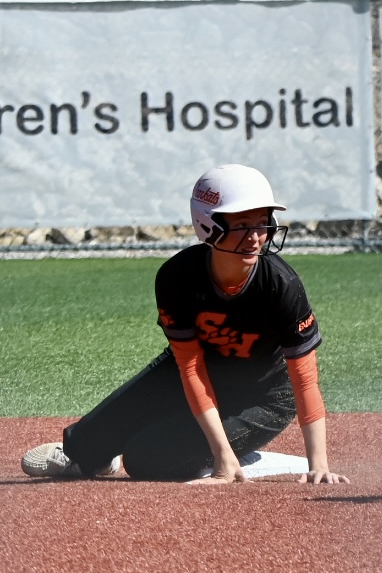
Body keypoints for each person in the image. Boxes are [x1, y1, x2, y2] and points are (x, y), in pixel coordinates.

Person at [20, 164, 349, 485]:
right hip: (200, 370)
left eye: (262, 224)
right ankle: (99, 452)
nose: (255, 237)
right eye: (242, 225)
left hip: (263, 396)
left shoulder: (281, 284)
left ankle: (251, 460)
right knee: (83, 449)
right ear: (208, 225)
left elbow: (304, 381)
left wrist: (317, 464)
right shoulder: (177, 277)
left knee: (147, 459)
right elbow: (191, 368)